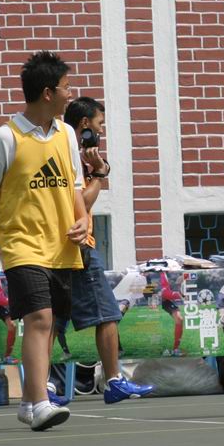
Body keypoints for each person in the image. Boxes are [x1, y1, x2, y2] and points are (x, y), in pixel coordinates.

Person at [0, 51, 87, 431]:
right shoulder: (4, 139)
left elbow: (75, 185)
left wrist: (84, 220)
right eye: (66, 88)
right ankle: (41, 402)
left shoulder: (66, 134)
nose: (71, 94)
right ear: (48, 93)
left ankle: (28, 401)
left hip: (61, 246)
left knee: (50, 323)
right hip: (21, 245)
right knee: (39, 318)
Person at [57, 96, 154, 402]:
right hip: (79, 246)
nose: (101, 130)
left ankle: (43, 388)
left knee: (51, 320)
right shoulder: (70, 153)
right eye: (99, 124)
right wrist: (99, 174)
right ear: (85, 124)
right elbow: (81, 204)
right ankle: (113, 381)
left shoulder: (64, 150)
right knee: (107, 314)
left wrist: (98, 169)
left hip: (58, 247)